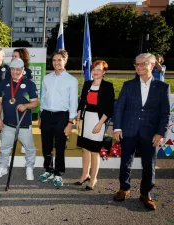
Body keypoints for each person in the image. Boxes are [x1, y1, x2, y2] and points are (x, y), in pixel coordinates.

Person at [113, 53, 170, 210]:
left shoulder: (162, 87)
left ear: (152, 65)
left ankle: (146, 193)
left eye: (142, 64)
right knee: (125, 162)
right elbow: (119, 108)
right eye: (136, 64)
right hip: (129, 131)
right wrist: (117, 128)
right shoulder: (128, 85)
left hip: (150, 133)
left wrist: (160, 133)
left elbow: (165, 112)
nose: (138, 67)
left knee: (149, 165)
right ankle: (124, 189)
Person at [0, 58, 38, 180]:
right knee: (4, 148)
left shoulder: (29, 84)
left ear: (23, 70)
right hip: (8, 124)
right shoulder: (3, 83)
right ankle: (3, 168)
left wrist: (26, 106)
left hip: (24, 124)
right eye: (12, 69)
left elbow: (35, 103)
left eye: (18, 69)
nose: (15, 72)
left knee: (29, 148)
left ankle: (29, 168)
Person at [38, 49, 78, 187]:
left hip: (62, 116)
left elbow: (74, 103)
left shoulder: (71, 80)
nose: (56, 63)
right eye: (54, 60)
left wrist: (70, 123)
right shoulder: (47, 78)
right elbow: (43, 98)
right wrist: (41, 115)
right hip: (46, 115)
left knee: (60, 146)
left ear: (65, 61)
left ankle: (58, 173)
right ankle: (48, 170)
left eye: (59, 60)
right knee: (46, 145)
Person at [75, 60, 115, 190]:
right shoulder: (87, 84)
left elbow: (109, 109)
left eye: (99, 69)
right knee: (85, 149)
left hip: (98, 121)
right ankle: (84, 175)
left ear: (104, 72)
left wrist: (100, 124)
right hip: (85, 120)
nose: (95, 72)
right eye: (93, 69)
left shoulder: (108, 86)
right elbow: (81, 103)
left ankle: (93, 179)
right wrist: (78, 120)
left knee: (94, 151)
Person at [10, 48, 33, 154]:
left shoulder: (27, 71)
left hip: (24, 102)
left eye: (16, 56)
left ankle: (25, 144)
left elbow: (29, 90)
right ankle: (10, 143)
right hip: (12, 102)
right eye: (12, 56)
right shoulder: (9, 70)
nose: (13, 58)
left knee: (24, 125)